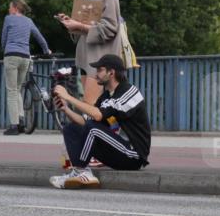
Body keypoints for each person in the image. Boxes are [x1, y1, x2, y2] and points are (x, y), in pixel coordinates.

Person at [49, 54, 150, 189]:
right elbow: (86, 121)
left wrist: (68, 96)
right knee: (71, 128)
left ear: (111, 72)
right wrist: (66, 109)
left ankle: (81, 170)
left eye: (100, 70)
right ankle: (80, 172)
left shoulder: (129, 92)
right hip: (116, 151)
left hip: (133, 156)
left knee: (93, 128)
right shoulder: (106, 96)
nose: (96, 74)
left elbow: (97, 117)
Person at [57, 0, 122, 106]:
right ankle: (107, 129)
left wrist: (79, 24)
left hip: (100, 60)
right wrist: (71, 23)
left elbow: (110, 29)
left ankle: (109, 129)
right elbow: (85, 25)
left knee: (89, 106)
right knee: (96, 107)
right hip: (86, 59)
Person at [1, 0, 51, 135]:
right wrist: (46, 50)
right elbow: (39, 37)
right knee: (17, 89)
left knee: (11, 91)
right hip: (25, 58)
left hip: (11, 55)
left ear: (16, 8)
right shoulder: (29, 21)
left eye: (10, 7)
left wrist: (4, 48)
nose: (8, 10)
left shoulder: (8, 19)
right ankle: (21, 122)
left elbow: (4, 37)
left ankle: (14, 126)